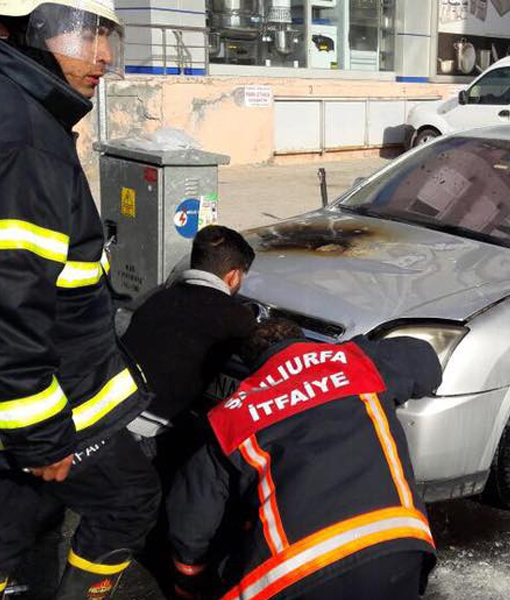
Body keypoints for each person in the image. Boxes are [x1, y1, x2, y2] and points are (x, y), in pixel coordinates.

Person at [0, 2, 160, 599]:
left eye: (107, 35)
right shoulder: (28, 141)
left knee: (21, 524)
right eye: (87, 32)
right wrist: (42, 436)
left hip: (36, 399)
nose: (104, 54)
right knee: (128, 499)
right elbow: (9, 306)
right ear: (21, 28)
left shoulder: (22, 113)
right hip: (49, 404)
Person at [167, 318, 443, 600]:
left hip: (293, 575)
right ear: (301, 340)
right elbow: (426, 363)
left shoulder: (231, 416)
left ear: (251, 363)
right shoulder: (356, 359)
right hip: (394, 546)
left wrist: (188, 583)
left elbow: (190, 522)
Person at [122, 224, 257, 458]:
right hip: (149, 435)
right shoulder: (234, 316)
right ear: (233, 276)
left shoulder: (158, 298)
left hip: (110, 414)